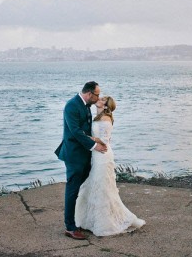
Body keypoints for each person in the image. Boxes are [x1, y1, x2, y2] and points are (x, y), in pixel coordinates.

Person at [74, 96, 146, 236]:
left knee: (103, 189)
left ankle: (105, 224)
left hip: (103, 156)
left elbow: (105, 140)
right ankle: (91, 221)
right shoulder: (97, 116)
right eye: (99, 98)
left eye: (102, 100)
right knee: (93, 186)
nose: (99, 100)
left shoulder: (106, 119)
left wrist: (87, 138)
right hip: (96, 155)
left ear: (106, 106)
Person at [54, 81, 107, 240]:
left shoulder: (86, 105)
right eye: (97, 94)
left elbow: (86, 129)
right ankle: (70, 227)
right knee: (72, 190)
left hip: (84, 154)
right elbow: (76, 131)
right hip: (74, 155)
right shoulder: (72, 105)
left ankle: (80, 219)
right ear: (90, 93)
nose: (99, 97)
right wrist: (94, 146)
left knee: (82, 187)